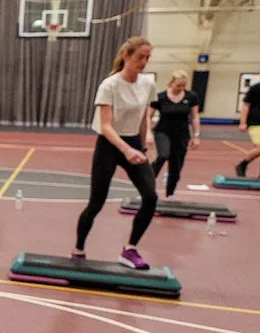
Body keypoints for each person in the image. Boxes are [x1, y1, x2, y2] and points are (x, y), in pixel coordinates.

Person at [74, 37, 159, 269]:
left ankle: (130, 250)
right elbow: (106, 126)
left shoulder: (148, 83)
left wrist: (143, 142)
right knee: (96, 203)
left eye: (148, 57)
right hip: (110, 145)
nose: (144, 62)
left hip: (133, 143)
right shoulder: (109, 85)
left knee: (151, 197)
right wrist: (126, 149)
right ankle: (78, 249)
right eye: (140, 57)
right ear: (126, 56)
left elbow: (143, 117)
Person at [150, 70, 201, 197]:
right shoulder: (160, 97)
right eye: (178, 85)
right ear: (171, 83)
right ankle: (147, 184)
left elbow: (195, 117)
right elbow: (147, 115)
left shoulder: (191, 97)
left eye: (183, 85)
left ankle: (169, 194)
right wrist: (147, 133)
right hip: (163, 131)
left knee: (176, 167)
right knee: (163, 155)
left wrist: (196, 136)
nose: (181, 88)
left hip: (181, 134)